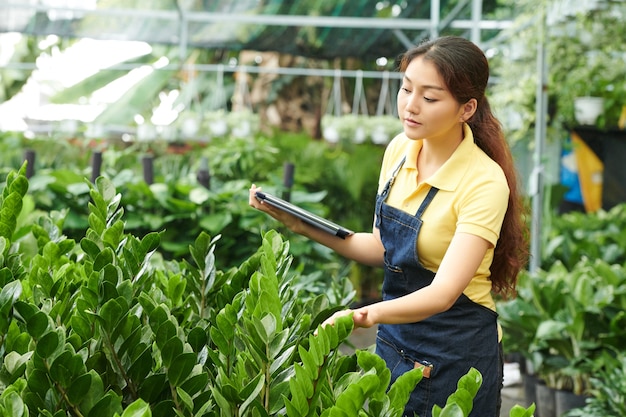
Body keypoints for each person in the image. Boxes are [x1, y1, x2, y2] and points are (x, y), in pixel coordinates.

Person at [249, 35, 528, 417]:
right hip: (396, 342)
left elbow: (443, 293)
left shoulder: (484, 182)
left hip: (456, 355)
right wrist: (297, 223)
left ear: (467, 108)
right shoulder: (400, 150)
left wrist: (365, 314)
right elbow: (383, 248)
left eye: (429, 98)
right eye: (406, 89)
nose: (410, 106)